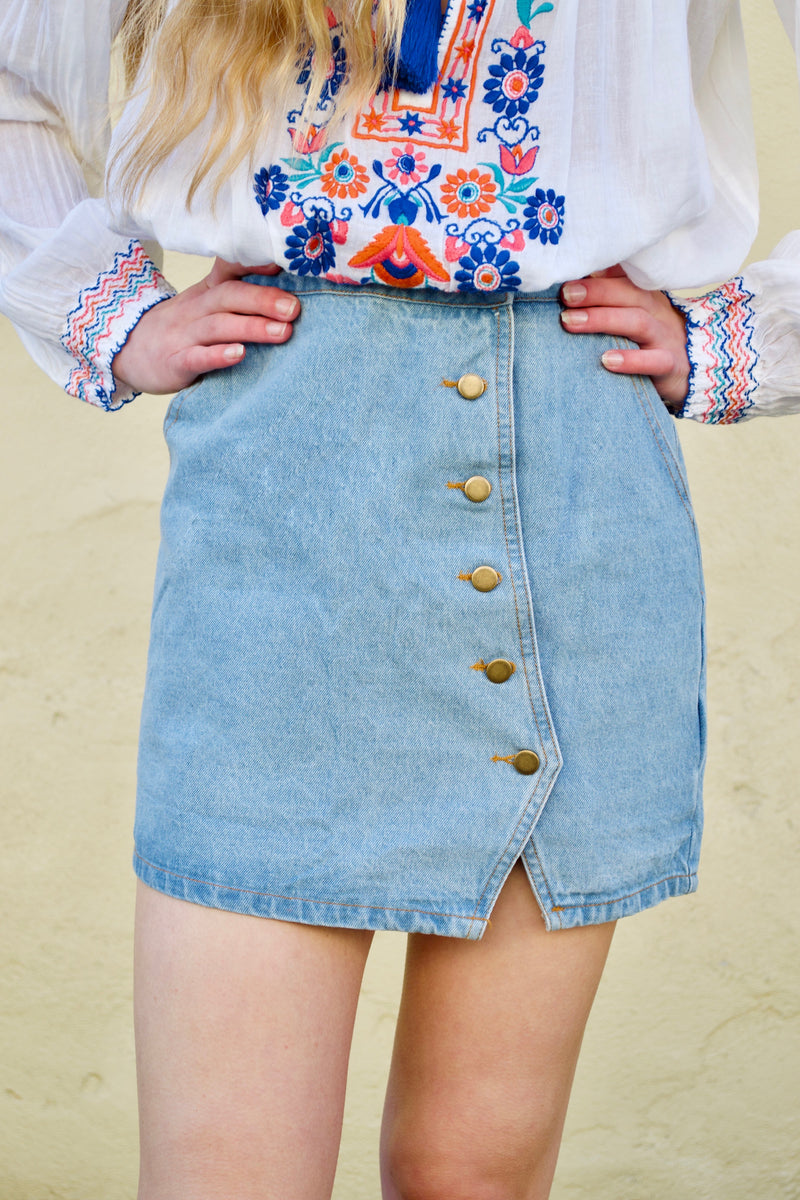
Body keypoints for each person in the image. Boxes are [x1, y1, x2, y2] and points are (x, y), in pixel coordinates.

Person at [1, 2, 799, 1198]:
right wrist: (107, 317)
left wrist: (742, 340)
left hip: (575, 500)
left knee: (464, 1176)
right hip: (284, 507)